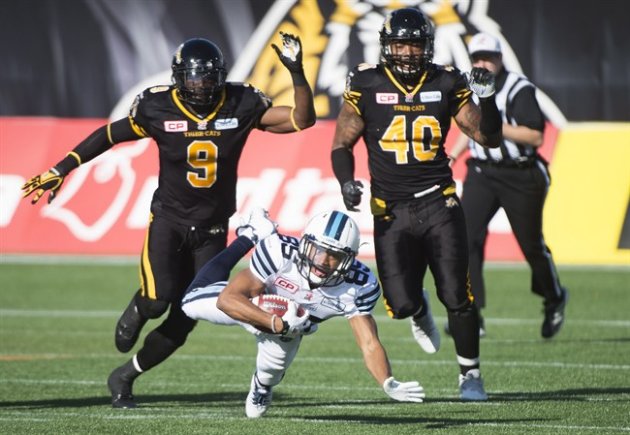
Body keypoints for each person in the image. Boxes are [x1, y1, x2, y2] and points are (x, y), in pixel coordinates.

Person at [21, 33, 316, 408]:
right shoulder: (158, 107)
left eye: (208, 78)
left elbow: (301, 120)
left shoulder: (241, 103)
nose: (201, 86)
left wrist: (297, 72)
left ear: (220, 77)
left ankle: (125, 375)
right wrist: (62, 167)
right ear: (179, 77)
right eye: (193, 78)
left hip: (211, 227)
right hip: (169, 220)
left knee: (188, 315)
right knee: (159, 301)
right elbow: (109, 135)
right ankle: (140, 305)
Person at [330, 8, 504, 401]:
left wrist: (488, 100)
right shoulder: (367, 83)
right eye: (400, 44)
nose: (408, 53)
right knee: (402, 304)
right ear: (387, 47)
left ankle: (470, 375)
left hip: (438, 201)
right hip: (390, 209)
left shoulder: (446, 81)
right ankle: (418, 308)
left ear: (427, 46)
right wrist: (346, 182)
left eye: (414, 44)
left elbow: (487, 137)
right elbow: (342, 143)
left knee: (458, 294)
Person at [181, 208, 425, 418]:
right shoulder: (278, 251)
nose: (323, 261)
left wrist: (387, 381)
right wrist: (275, 322)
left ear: (348, 260)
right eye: (318, 250)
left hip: (290, 327)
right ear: (305, 243)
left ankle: (261, 388)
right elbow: (228, 299)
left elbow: (369, 343)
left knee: (270, 373)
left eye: (335, 256)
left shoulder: (359, 285)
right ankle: (250, 235)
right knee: (189, 304)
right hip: (255, 305)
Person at [446, 32, 568, 339]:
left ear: (500, 58)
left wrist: (495, 126)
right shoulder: (469, 86)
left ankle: (553, 297)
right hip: (482, 173)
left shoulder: (518, 88)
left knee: (531, 245)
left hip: (520, 174)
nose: (483, 63)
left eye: (489, 56)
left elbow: (536, 136)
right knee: (466, 239)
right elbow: (469, 127)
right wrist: (453, 155)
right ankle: (472, 312)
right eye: (477, 57)